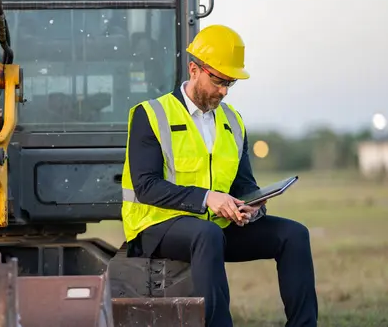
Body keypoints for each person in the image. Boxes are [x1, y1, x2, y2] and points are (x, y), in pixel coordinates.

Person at [120, 24, 318, 327]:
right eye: (218, 80)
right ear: (194, 69)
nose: (224, 90)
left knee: (294, 235)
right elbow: (146, 187)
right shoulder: (151, 115)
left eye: (230, 83)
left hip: (215, 227)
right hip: (156, 227)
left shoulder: (233, 121)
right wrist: (207, 199)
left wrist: (253, 206)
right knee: (207, 234)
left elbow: (244, 183)